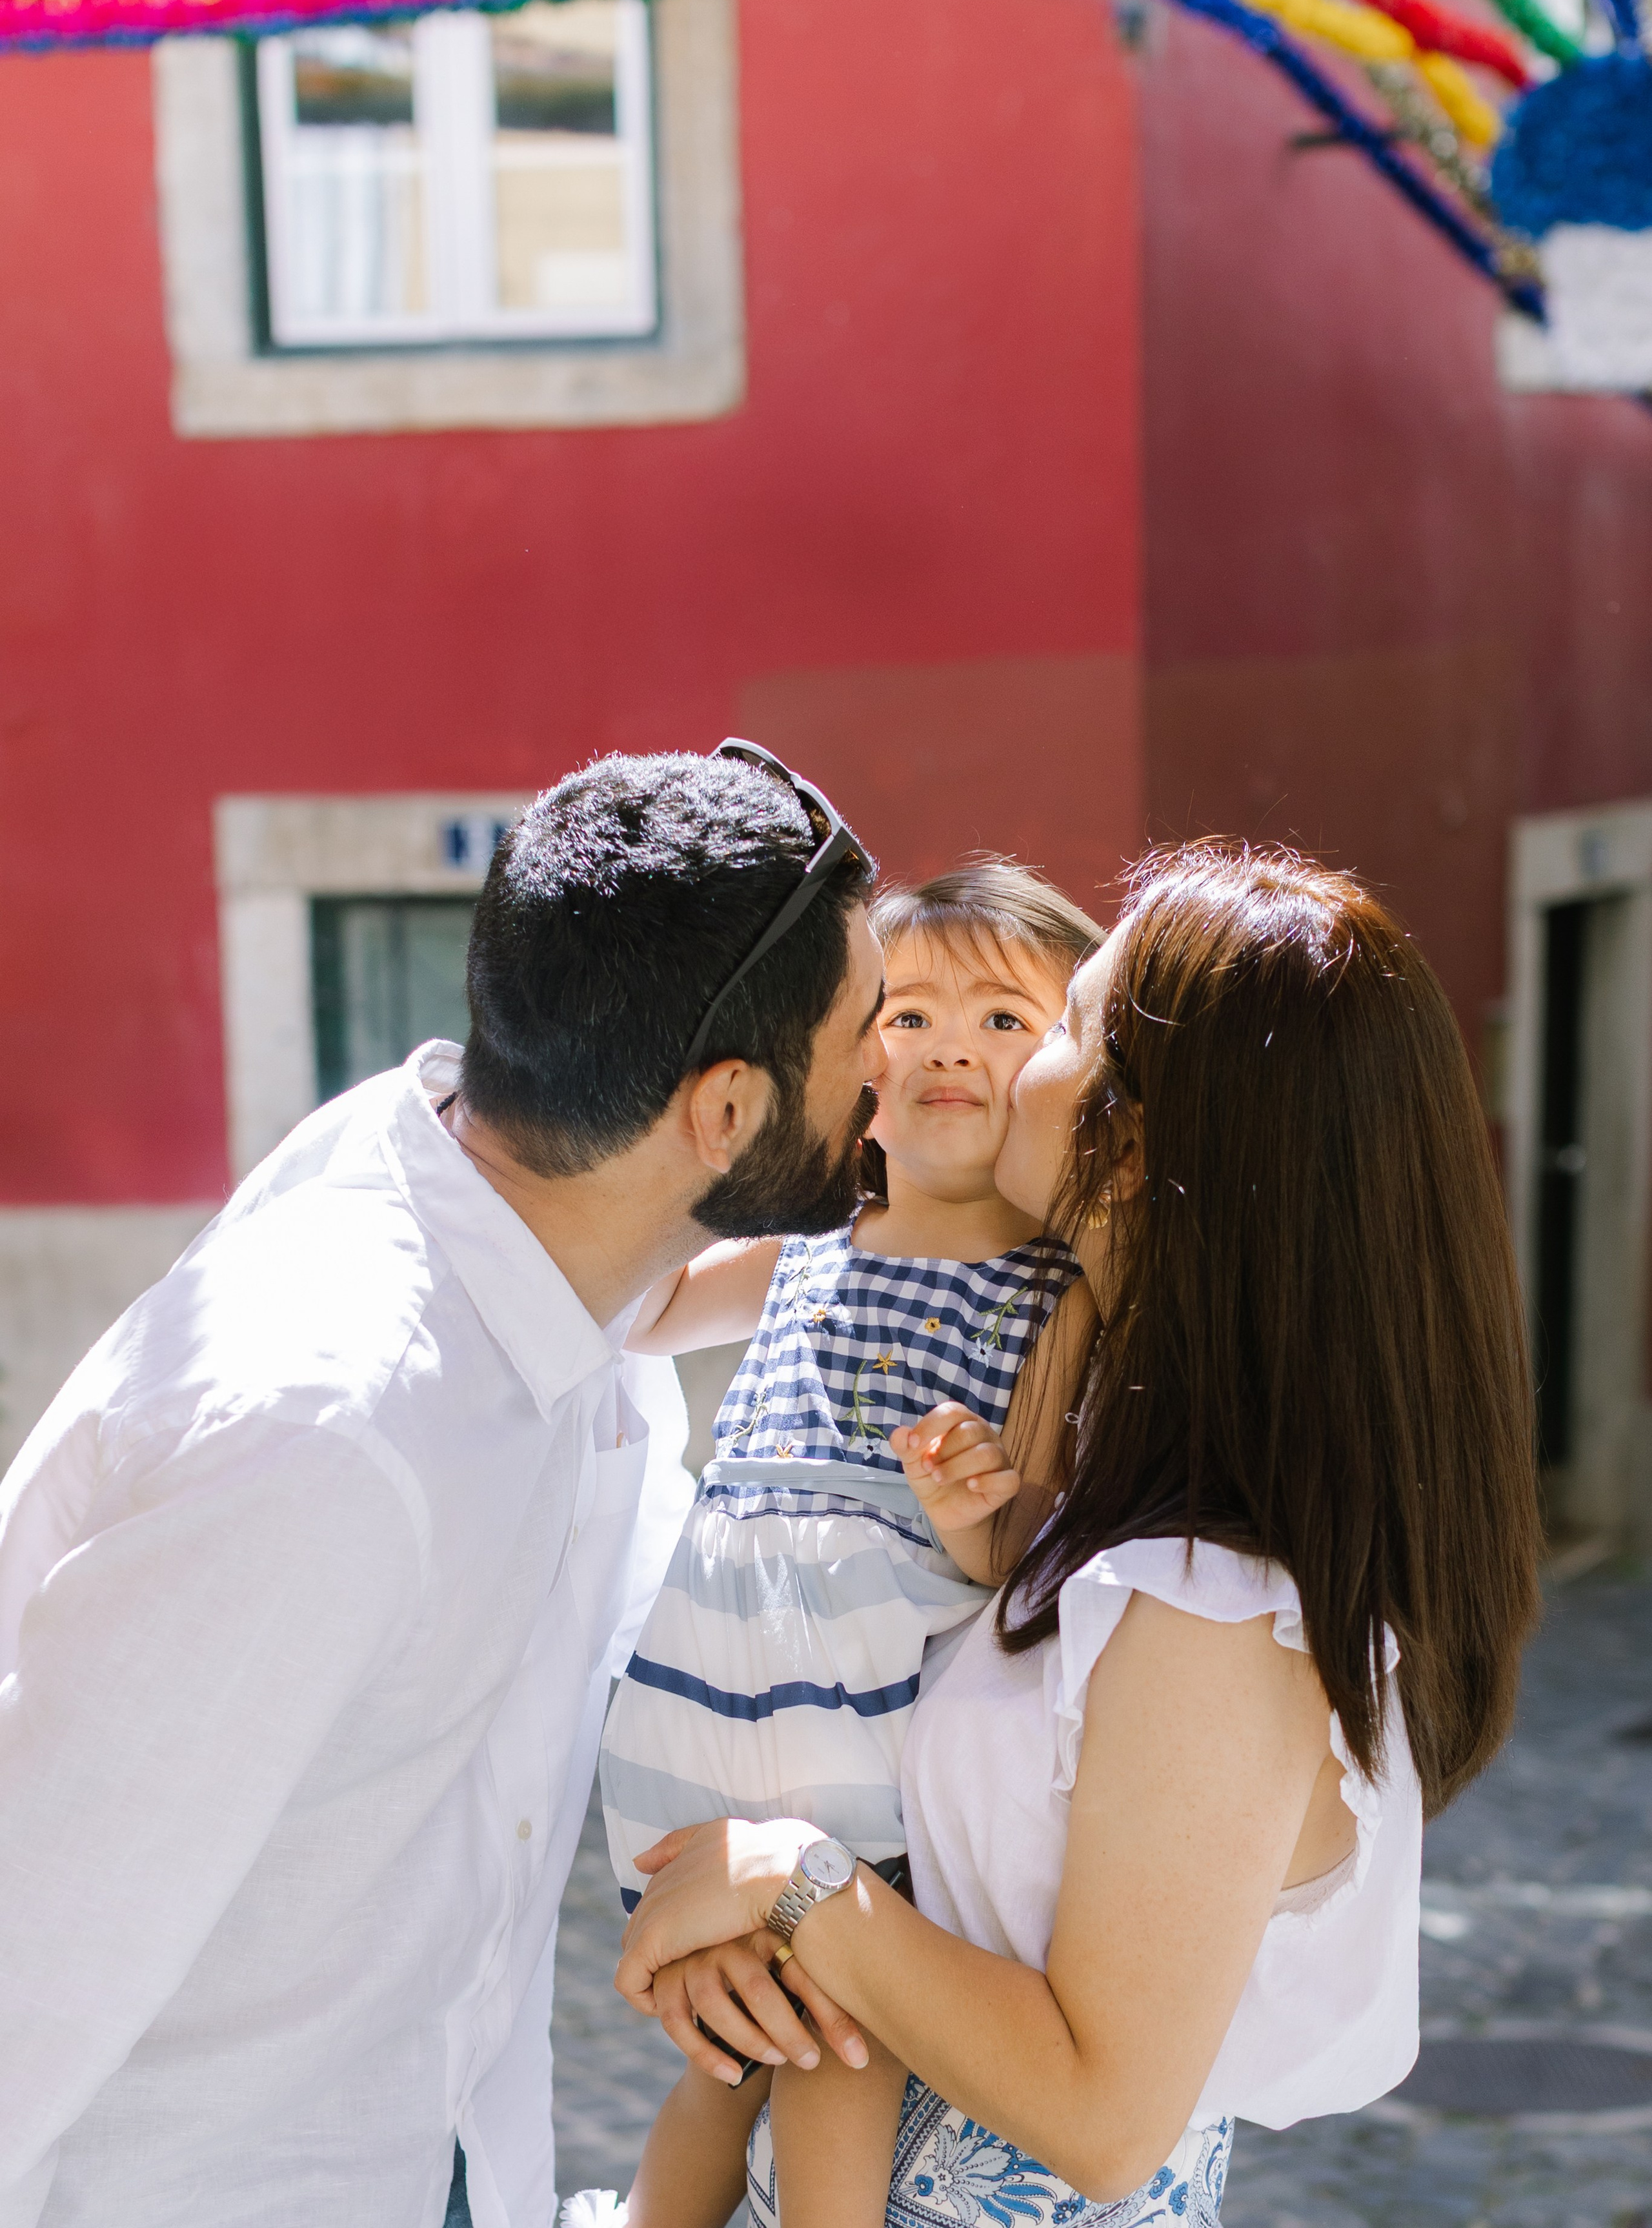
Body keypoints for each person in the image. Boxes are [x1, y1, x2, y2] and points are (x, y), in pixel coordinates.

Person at [0, 741, 887, 2228]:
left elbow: (644, 1296)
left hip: (447, 2141)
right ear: (723, 1114)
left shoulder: (485, 1185)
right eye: (869, 1030)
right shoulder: (329, 1448)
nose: (893, 1066)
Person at [610, 842, 1545, 2228]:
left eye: (1065, 1024)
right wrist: (757, 1948)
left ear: (1140, 1132)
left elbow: (1102, 2122)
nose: (1007, 1055)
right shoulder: (1106, 1443)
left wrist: (791, 1882)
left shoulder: (1209, 1609)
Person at [598, 862, 1103, 2228]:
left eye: (1004, 1023)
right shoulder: (803, 1242)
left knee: (829, 2021)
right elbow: (633, 1310)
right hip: (713, 1692)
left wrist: (967, 1515)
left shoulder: (1052, 1293)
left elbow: (1023, 1570)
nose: (948, 1046)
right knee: (747, 2030)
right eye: (907, 1013)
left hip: (863, 1728)